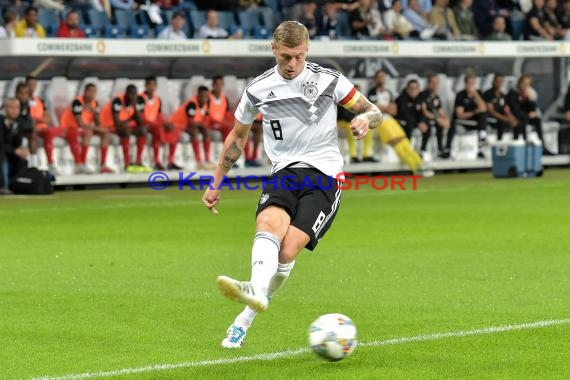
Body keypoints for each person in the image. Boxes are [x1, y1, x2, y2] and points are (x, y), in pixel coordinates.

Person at [203, 21, 382, 349]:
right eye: (286, 56)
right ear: (274, 49)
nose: (292, 64)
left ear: (307, 50)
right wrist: (216, 182)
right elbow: (237, 137)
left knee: (287, 250)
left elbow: (374, 111)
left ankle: (244, 318)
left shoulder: (329, 80)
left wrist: (364, 120)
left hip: (324, 176)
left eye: (298, 56)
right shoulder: (258, 88)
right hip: (284, 172)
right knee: (267, 224)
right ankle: (256, 290)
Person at [60, 83, 113, 174]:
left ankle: (103, 164)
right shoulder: (78, 102)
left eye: (94, 92)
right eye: (89, 91)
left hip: (83, 129)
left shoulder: (95, 104)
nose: (91, 94)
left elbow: (98, 123)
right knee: (89, 132)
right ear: (85, 92)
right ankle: (82, 164)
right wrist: (98, 128)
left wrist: (95, 115)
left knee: (105, 134)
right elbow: (80, 123)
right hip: (71, 127)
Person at [100, 85, 150, 172]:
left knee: (143, 130)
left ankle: (138, 162)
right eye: (130, 94)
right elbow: (117, 123)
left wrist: (135, 107)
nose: (132, 96)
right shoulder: (118, 101)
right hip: (110, 126)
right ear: (126, 93)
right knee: (126, 131)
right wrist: (129, 122)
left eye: (134, 94)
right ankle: (127, 164)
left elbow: (140, 122)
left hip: (125, 126)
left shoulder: (139, 101)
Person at [139, 76, 181, 171]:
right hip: (145, 124)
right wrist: (159, 124)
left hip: (155, 123)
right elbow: (140, 116)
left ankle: (170, 161)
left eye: (153, 85)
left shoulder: (157, 99)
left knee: (174, 128)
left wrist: (167, 123)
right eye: (149, 85)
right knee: (158, 130)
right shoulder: (140, 98)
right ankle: (156, 161)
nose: (151, 87)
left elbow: (158, 115)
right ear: (145, 86)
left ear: (156, 86)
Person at [505, 75, 554, 155]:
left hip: (526, 117)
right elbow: (514, 109)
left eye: (527, 84)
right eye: (523, 83)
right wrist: (528, 115)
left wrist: (529, 98)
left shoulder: (531, 93)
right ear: (519, 83)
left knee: (537, 121)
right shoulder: (513, 93)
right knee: (523, 120)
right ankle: (525, 144)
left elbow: (533, 109)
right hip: (516, 117)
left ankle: (542, 146)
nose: (525, 85)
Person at [171, 86, 215, 170]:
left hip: (190, 125)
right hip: (179, 124)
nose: (204, 99)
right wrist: (202, 124)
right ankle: (199, 161)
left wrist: (204, 125)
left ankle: (207, 160)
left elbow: (205, 119)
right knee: (195, 132)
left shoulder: (207, 104)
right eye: (202, 96)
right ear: (198, 95)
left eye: (206, 97)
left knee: (206, 131)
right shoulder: (192, 104)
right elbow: (191, 122)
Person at [452, 75, 488, 158]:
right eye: (469, 83)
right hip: (463, 121)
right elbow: (460, 115)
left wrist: (475, 94)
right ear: (465, 83)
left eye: (473, 83)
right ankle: (482, 138)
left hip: (476, 121)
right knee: (479, 113)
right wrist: (475, 111)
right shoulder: (461, 95)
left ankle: (482, 138)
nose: (471, 85)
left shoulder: (479, 93)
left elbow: (483, 108)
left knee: (482, 114)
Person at [418, 74, 453, 158]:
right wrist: (437, 118)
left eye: (437, 83)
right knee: (430, 125)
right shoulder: (422, 96)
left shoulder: (436, 97)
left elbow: (441, 112)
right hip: (421, 119)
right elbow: (424, 112)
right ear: (428, 83)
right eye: (433, 83)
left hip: (434, 119)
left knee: (448, 124)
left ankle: (443, 149)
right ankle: (423, 149)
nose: (436, 85)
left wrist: (445, 120)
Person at [0, 98, 28, 194]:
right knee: (1, 155)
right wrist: (15, 151)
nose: (15, 110)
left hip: (10, 153)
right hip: (2, 152)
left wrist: (21, 150)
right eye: (12, 107)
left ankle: (19, 185)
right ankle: (4, 185)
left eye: (17, 108)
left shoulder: (19, 123)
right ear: (5, 108)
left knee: (22, 159)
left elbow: (18, 142)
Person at [483, 74, 519, 141]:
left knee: (517, 123)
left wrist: (512, 119)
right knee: (501, 122)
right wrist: (505, 119)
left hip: (502, 118)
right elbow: (491, 111)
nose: (499, 83)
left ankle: (515, 141)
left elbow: (506, 110)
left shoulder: (503, 95)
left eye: (501, 81)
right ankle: (499, 142)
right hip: (492, 119)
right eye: (497, 81)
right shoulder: (488, 94)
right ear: (493, 81)